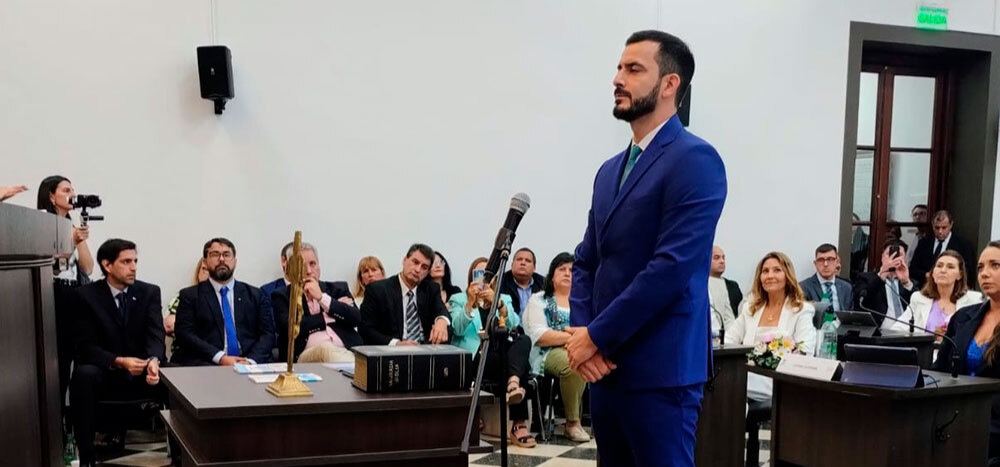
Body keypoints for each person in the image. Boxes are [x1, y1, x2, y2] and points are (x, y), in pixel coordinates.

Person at [567, 30, 727, 466]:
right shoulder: (609, 171)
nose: (618, 78)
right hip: (605, 367)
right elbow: (587, 260)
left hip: (661, 369)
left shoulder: (695, 160)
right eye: (619, 67)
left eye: (634, 69)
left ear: (670, 84)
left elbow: (671, 268)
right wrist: (583, 336)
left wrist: (596, 336)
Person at [70, 239, 166, 467]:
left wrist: (154, 360)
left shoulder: (149, 292)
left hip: (143, 370)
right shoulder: (85, 296)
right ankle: (87, 457)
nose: (133, 267)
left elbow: (156, 335)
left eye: (135, 261)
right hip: (107, 370)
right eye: (126, 262)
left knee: (176, 373)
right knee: (83, 375)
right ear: (107, 265)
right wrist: (118, 361)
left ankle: (180, 453)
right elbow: (84, 346)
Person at [448, 257, 535, 448]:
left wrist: (498, 304)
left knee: (523, 340)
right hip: (476, 359)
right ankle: (518, 425)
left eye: (489, 275)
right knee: (519, 366)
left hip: (501, 356)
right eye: (480, 274)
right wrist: (470, 304)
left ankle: (513, 384)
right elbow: (457, 329)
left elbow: (514, 325)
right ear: (472, 277)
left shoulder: (504, 298)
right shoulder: (458, 299)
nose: (485, 279)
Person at [935, 241, 1000, 460]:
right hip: (953, 419)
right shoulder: (963, 317)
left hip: (993, 429)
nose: (985, 273)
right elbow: (939, 370)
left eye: (995, 265)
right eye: (981, 267)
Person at [38, 175, 96, 418]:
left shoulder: (71, 227)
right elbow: (53, 266)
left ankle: (77, 421)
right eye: (66, 190)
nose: (72, 194)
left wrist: (79, 238)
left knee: (79, 356)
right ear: (51, 196)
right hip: (53, 292)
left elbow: (88, 267)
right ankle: (57, 420)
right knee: (59, 361)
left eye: (73, 190)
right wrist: (71, 241)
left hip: (75, 292)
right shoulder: (42, 223)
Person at [171, 238, 275, 365]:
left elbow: (267, 334)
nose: (221, 259)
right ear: (205, 261)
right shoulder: (190, 296)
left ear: (235, 261)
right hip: (208, 363)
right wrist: (220, 358)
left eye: (226, 255)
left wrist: (250, 361)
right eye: (215, 254)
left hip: (249, 362)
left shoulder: (255, 295)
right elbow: (185, 334)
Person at [726, 252, 816, 399]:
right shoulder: (750, 308)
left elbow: (805, 351)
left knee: (728, 384)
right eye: (765, 271)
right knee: (722, 380)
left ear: (788, 276)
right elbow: (728, 340)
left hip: (779, 379)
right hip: (747, 374)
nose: (770, 276)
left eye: (777, 270)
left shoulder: (802, 310)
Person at [523, 252, 591, 443]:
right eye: (562, 269)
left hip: (583, 350)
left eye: (572, 270)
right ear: (552, 275)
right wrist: (576, 339)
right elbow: (539, 335)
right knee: (573, 363)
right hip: (547, 353)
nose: (567, 273)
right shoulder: (539, 300)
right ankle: (572, 423)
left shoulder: (584, 302)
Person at [270, 243, 361, 363]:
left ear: (319, 265)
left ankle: (357, 368)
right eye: (302, 266)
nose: (308, 271)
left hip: (348, 350)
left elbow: (356, 318)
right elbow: (290, 328)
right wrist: (328, 314)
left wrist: (322, 298)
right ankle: (358, 370)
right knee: (325, 348)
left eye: (312, 264)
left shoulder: (338, 288)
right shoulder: (282, 295)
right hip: (306, 356)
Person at [359, 244, 450, 346]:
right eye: (415, 262)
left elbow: (441, 310)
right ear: (404, 260)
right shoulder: (378, 290)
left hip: (425, 349)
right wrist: (397, 344)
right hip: (392, 350)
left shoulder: (431, 289)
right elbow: (365, 329)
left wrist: (442, 320)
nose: (418, 270)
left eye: (424, 267)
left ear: (427, 272)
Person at [894, 250, 983, 337]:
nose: (943, 270)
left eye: (950, 267)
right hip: (926, 347)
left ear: (960, 275)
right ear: (933, 273)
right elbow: (897, 329)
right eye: (939, 266)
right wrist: (931, 335)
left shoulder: (974, 301)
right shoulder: (918, 298)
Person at [853, 239, 915, 329]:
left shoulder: (910, 282)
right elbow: (861, 304)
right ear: (882, 257)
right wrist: (881, 276)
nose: (893, 258)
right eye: (889, 254)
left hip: (905, 332)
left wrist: (906, 282)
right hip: (879, 333)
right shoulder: (866, 278)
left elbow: (918, 306)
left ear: (905, 259)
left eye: (899, 255)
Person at [910, 210, 977, 289]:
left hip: (953, 290)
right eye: (937, 228)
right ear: (932, 225)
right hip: (926, 288)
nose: (940, 231)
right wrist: (926, 275)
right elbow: (912, 269)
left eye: (944, 228)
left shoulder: (963, 245)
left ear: (951, 225)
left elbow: (968, 272)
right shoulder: (924, 243)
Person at [799, 244, 853, 328]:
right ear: (815, 264)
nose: (825, 264)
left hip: (842, 332)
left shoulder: (846, 287)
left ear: (836, 262)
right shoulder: (803, 287)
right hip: (816, 332)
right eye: (821, 260)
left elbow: (850, 316)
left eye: (830, 259)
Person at [164, 258, 210, 337]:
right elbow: (169, 324)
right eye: (203, 269)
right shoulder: (186, 296)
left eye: (210, 270)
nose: (206, 273)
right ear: (198, 272)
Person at [498, 248, 545, 318]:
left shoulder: (544, 284)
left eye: (528, 261)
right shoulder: (500, 282)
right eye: (519, 259)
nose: (523, 263)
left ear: (534, 268)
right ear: (512, 265)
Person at [710, 245, 743, 317]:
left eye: (723, 258)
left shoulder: (733, 286)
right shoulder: (700, 286)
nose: (722, 261)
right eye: (716, 258)